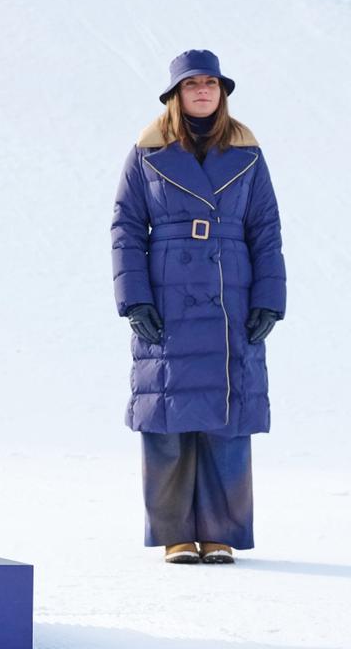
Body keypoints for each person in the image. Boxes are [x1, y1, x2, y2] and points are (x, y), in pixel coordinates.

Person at [110, 50, 286, 564]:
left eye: (212, 83)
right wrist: (135, 298)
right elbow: (125, 228)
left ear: (222, 92)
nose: (204, 91)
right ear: (175, 95)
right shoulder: (147, 153)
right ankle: (174, 535)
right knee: (167, 416)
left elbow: (266, 230)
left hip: (231, 291)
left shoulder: (248, 154)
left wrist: (269, 300)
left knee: (226, 418)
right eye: (193, 85)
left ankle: (220, 532)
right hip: (168, 292)